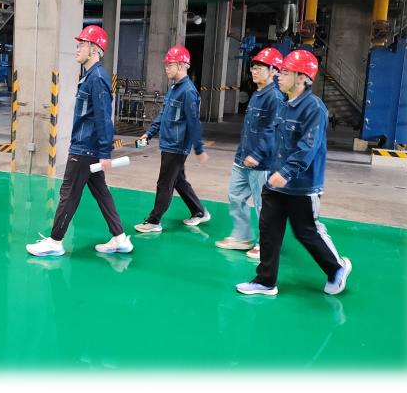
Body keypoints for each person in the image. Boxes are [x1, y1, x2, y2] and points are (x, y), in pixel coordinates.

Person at [236, 50, 351, 296]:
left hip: (302, 185)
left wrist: (287, 172)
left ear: (302, 78)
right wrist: (259, 155)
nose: (279, 76)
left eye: (286, 72)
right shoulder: (283, 104)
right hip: (275, 182)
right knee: (269, 230)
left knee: (306, 231)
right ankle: (265, 281)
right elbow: (271, 134)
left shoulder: (314, 108)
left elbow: (308, 146)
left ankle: (337, 269)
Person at [26, 25, 132, 256]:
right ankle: (120, 239)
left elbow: (103, 117)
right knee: (101, 192)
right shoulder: (91, 76)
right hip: (87, 147)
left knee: (69, 193)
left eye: (82, 44)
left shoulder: (98, 78)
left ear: (94, 49)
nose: (77, 48)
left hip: (85, 149)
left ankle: (55, 242)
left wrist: (104, 153)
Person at [216, 48, 284, 259]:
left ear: (273, 71)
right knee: (235, 197)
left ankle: (267, 244)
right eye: (253, 68)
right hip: (243, 159)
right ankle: (242, 237)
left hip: (261, 163)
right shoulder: (257, 94)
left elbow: (272, 131)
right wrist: (242, 153)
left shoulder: (275, 98)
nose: (254, 71)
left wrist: (257, 154)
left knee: (263, 205)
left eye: (260, 68)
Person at [133, 45, 209, 233]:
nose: (166, 68)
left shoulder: (188, 92)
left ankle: (154, 221)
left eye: (170, 65)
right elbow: (163, 114)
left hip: (177, 146)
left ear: (182, 65)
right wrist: (149, 133)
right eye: (166, 64)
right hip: (168, 143)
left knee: (164, 183)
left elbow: (193, 122)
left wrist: (199, 148)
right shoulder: (174, 88)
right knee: (178, 180)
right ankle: (199, 211)